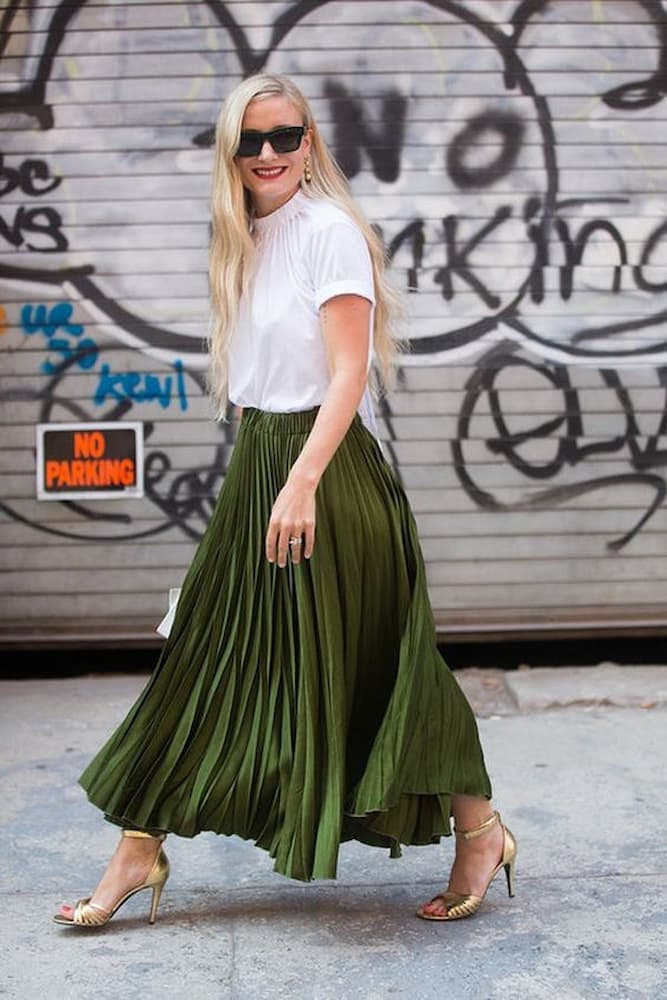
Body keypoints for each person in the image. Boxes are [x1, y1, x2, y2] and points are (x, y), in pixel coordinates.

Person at [54, 73, 516, 929]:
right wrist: (261, 444)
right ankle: (138, 846)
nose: (270, 154)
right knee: (212, 651)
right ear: (230, 153)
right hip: (268, 461)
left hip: (324, 474)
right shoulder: (246, 237)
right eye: (251, 140)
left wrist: (299, 481)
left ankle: (479, 829)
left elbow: (348, 373)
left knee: (379, 660)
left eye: (286, 136)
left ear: (310, 143)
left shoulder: (326, 231)